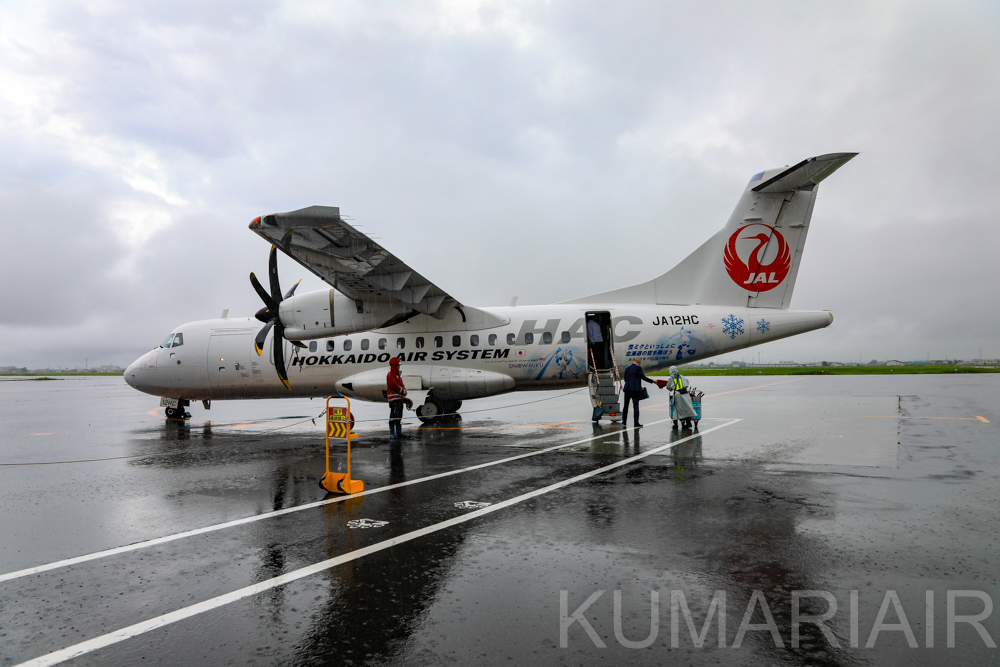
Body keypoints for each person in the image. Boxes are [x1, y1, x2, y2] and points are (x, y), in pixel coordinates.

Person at [622, 358, 656, 428]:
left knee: (626, 406)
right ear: (639, 363)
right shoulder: (638, 368)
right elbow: (643, 377)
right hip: (635, 389)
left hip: (627, 389)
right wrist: (652, 381)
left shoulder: (627, 368)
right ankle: (636, 423)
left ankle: (624, 421)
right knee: (635, 406)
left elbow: (625, 379)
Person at [386, 357, 407, 439]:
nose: (399, 366)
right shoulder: (390, 375)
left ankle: (399, 432)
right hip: (394, 400)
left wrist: (404, 390)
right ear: (395, 365)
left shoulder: (398, 375)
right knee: (393, 416)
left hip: (399, 399)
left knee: (399, 415)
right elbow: (394, 385)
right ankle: (392, 433)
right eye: (398, 365)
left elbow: (401, 384)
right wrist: (403, 391)